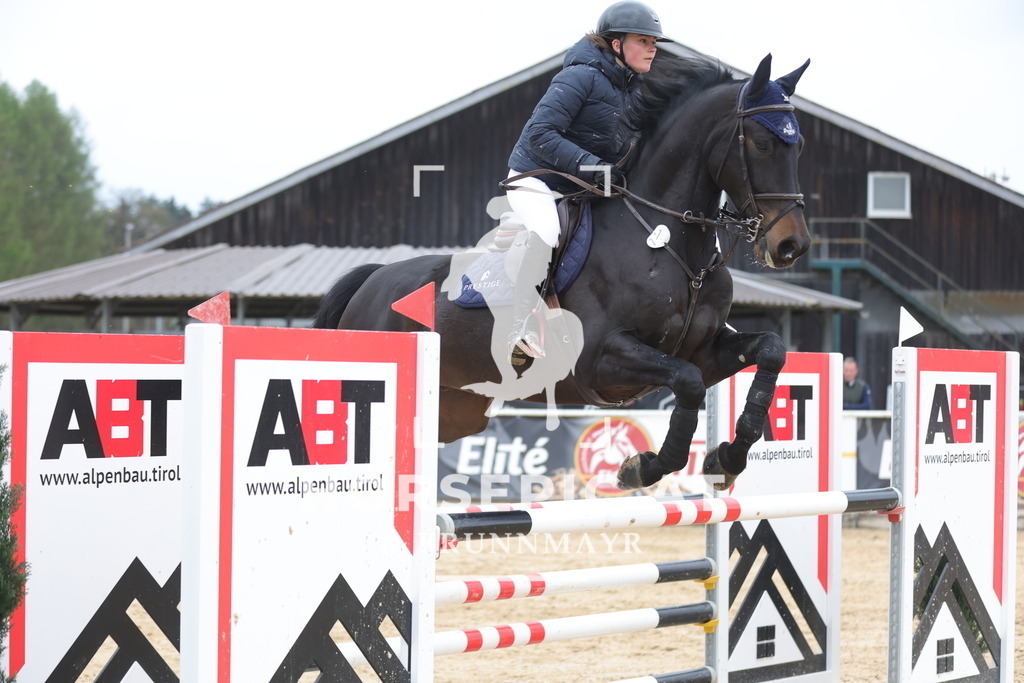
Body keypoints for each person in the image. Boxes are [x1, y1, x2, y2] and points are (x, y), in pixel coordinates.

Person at [502, 1, 669, 360]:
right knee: (548, 230)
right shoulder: (579, 77)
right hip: (537, 179)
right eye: (643, 40)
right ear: (616, 44)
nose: (652, 48)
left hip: (584, 186)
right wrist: (595, 168)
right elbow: (540, 134)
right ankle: (521, 327)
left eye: (654, 42)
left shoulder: (634, 90)